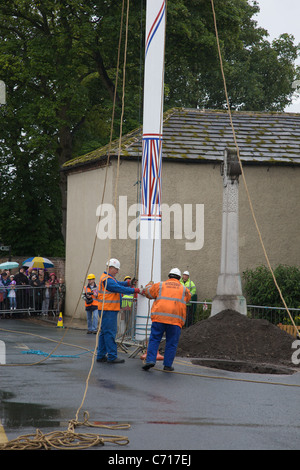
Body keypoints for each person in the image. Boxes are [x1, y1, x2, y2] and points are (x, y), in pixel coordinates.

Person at [142, 268, 191, 372]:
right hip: (175, 321)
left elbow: (148, 293)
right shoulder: (184, 289)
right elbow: (188, 298)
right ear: (179, 278)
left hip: (159, 319)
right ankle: (167, 365)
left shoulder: (160, 285)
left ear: (169, 276)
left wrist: (148, 286)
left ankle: (150, 360)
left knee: (154, 339)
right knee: (171, 343)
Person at [97, 258, 141, 364]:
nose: (117, 271)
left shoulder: (108, 278)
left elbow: (119, 284)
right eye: (116, 269)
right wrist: (136, 290)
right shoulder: (108, 279)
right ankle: (112, 356)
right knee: (110, 333)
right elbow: (119, 288)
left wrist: (129, 282)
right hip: (108, 310)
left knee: (104, 333)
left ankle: (101, 355)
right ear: (111, 268)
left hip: (106, 310)